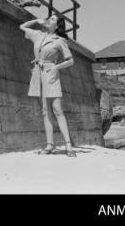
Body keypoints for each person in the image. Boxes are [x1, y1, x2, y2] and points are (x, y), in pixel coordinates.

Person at [19, 14, 77, 157]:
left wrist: (56, 68)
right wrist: (37, 21)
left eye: (52, 19)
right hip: (38, 73)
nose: (48, 19)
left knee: (57, 109)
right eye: (49, 17)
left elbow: (70, 61)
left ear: (57, 26)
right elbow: (22, 27)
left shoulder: (59, 40)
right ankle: (50, 144)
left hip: (51, 73)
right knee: (45, 110)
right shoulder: (38, 35)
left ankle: (68, 145)